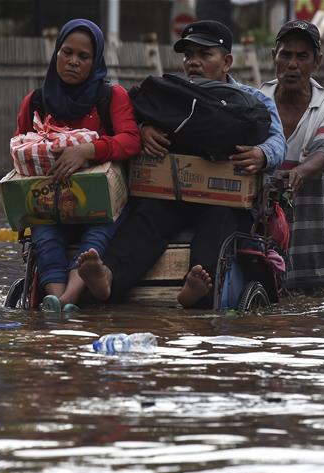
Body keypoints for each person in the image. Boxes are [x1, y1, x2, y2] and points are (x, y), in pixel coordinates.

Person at [78, 20, 286, 309]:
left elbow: (278, 142)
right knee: (147, 218)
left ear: (227, 62)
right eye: (188, 55)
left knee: (219, 222)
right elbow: (128, 122)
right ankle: (108, 277)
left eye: (204, 54)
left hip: (224, 199)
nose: (193, 62)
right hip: (173, 195)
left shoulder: (253, 100)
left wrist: (262, 154)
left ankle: (197, 287)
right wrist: (143, 130)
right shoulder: (170, 94)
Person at [14, 19, 140, 313]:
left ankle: (68, 298)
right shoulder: (35, 102)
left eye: (84, 57)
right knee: (44, 233)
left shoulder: (111, 97)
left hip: (103, 203)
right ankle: (56, 299)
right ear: (56, 53)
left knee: (97, 233)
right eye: (67, 52)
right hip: (50, 201)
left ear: (95, 62)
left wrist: (87, 151)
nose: (73, 61)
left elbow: (131, 140)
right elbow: (20, 147)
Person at [260, 20, 324, 292]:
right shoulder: (257, 100)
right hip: (263, 234)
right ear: (274, 57)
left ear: (317, 62)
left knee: (317, 304)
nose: (292, 64)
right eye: (285, 54)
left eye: (302, 56)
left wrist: (299, 172)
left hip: (314, 238)